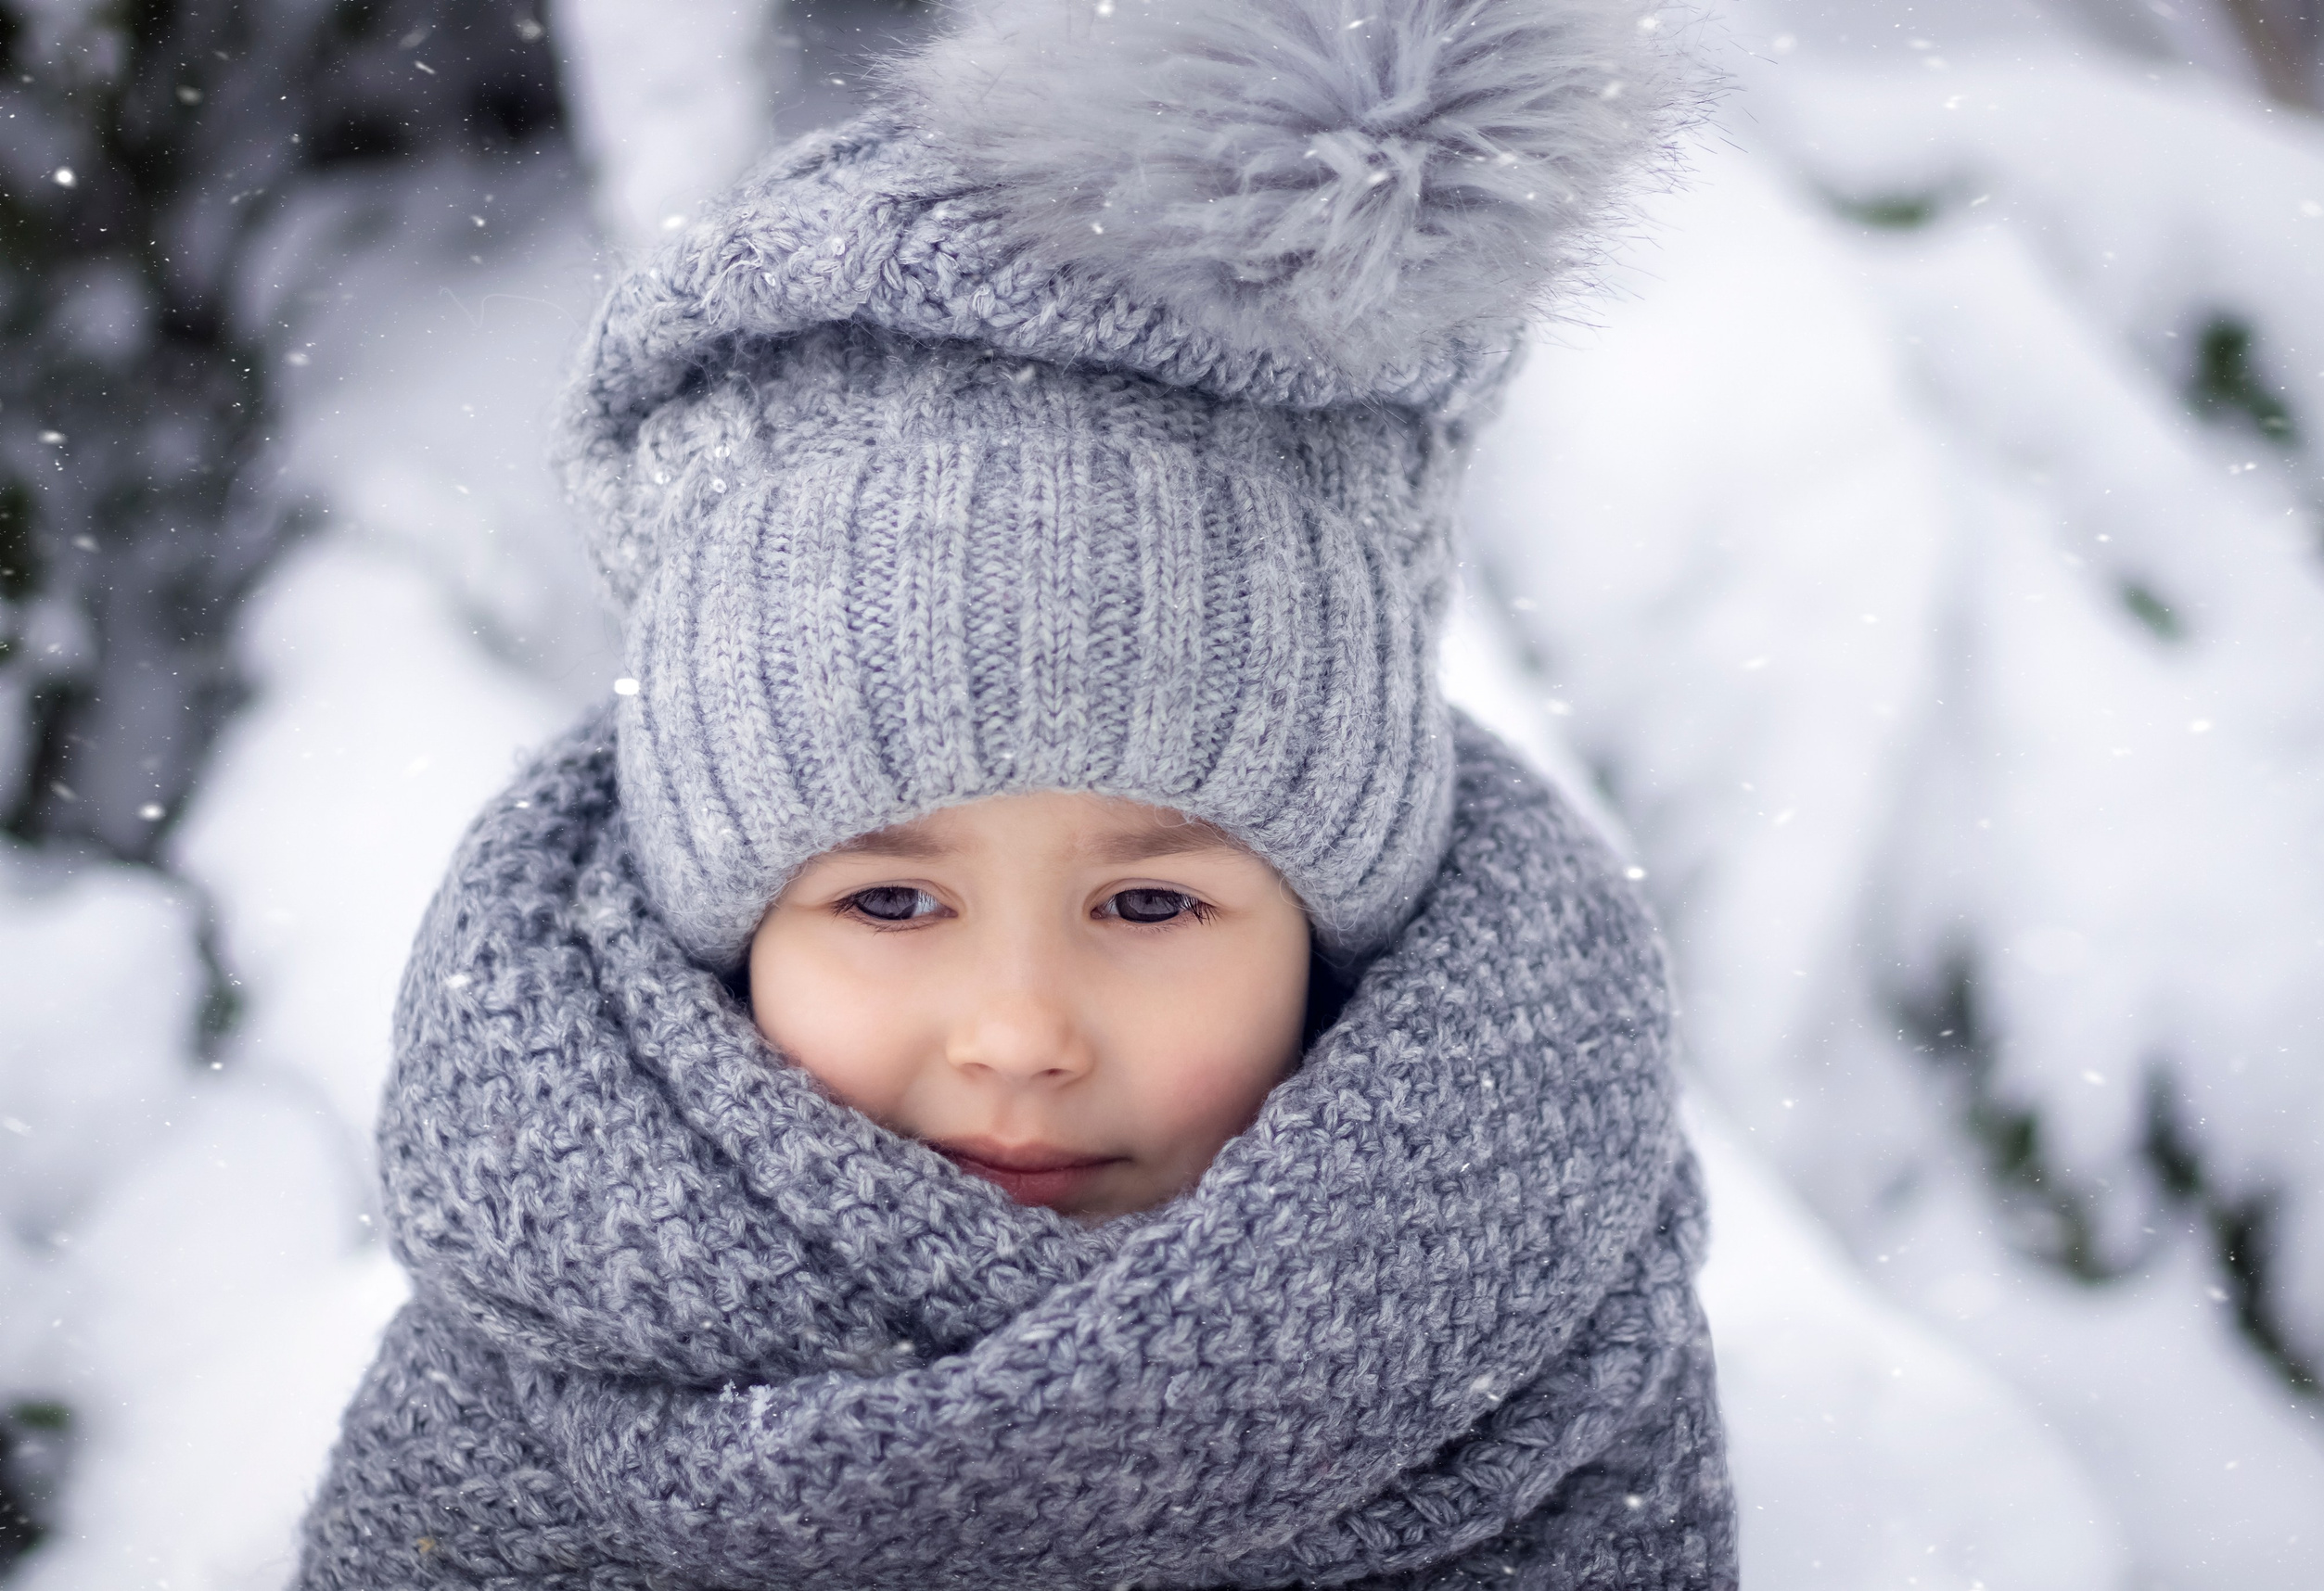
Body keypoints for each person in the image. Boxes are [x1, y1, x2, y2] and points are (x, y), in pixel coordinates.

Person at [294, 0, 1737, 1585]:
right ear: (724, 933)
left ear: (1338, 933)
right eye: (890, 901)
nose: (1021, 1032)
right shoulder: (520, 1410)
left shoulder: (1547, 1368)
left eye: (1152, 903)